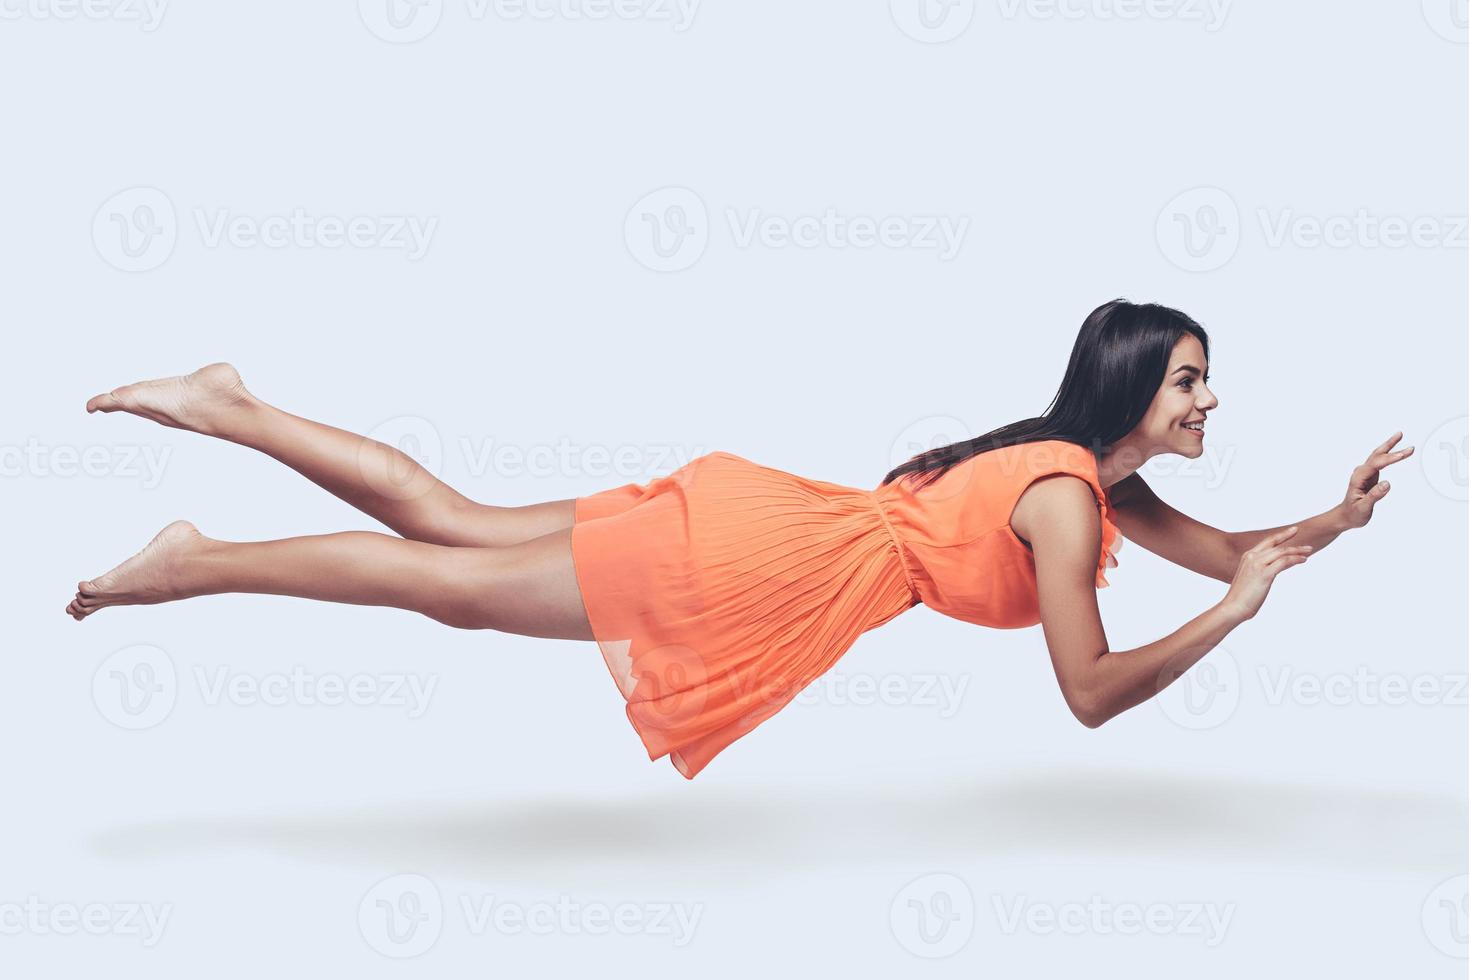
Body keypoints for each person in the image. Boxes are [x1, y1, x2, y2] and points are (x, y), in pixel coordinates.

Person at [66, 299, 1411, 779]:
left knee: (455, 526)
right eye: (1187, 379)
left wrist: (1333, 525)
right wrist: (1233, 614)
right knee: (454, 585)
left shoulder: (1092, 482)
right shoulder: (1068, 497)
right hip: (758, 563)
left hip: (775, 528)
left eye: (1204, 376)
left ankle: (231, 405)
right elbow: (1087, 694)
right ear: (1130, 391)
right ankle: (195, 562)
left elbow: (1235, 539)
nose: (1207, 397)